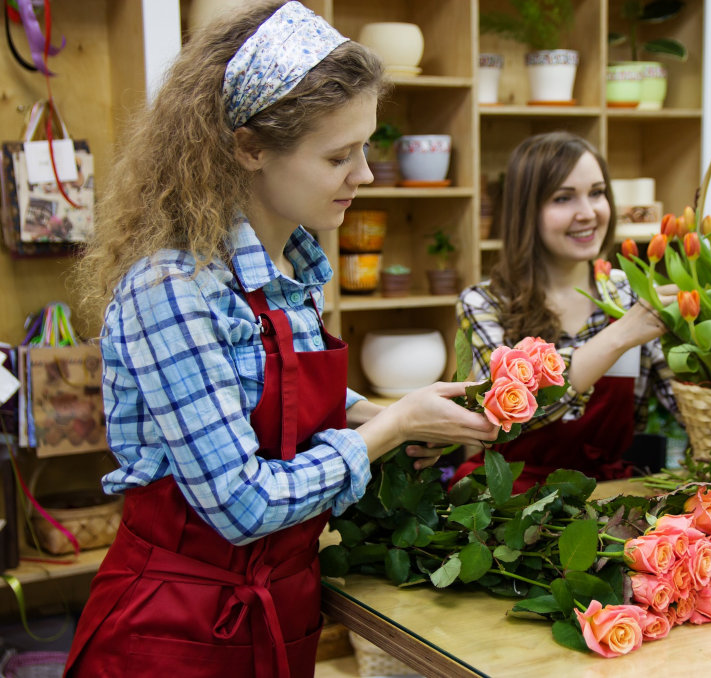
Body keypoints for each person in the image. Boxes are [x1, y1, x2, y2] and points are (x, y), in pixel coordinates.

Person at [64, 3, 498, 676]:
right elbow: (242, 504)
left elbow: (273, 384)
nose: (366, 175)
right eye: (337, 155)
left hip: (279, 615)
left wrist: (386, 414)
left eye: (366, 147)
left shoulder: (289, 269)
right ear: (248, 147)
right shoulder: (170, 293)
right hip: (174, 632)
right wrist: (387, 430)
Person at [451, 131, 711, 492]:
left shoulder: (632, 294)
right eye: (563, 198)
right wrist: (619, 335)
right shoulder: (484, 304)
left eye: (597, 193)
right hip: (506, 497)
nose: (588, 212)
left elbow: (690, 405)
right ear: (525, 210)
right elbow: (494, 421)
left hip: (609, 497)